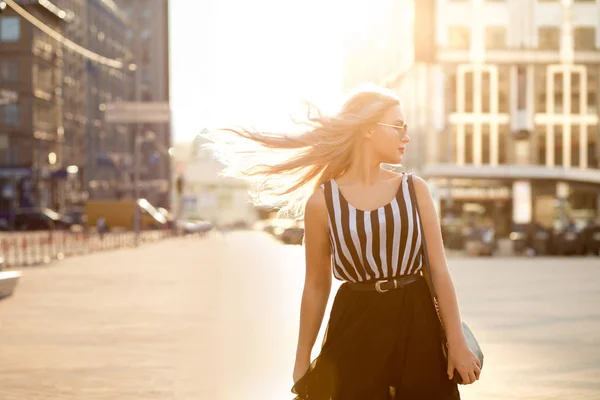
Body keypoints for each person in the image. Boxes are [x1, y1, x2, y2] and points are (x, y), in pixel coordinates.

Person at [204, 85, 481, 399]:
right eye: (398, 127)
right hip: (355, 320)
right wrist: (301, 358)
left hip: (417, 317)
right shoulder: (322, 202)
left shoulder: (414, 189)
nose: (405, 136)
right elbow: (316, 285)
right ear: (368, 130)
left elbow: (439, 270)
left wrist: (456, 340)